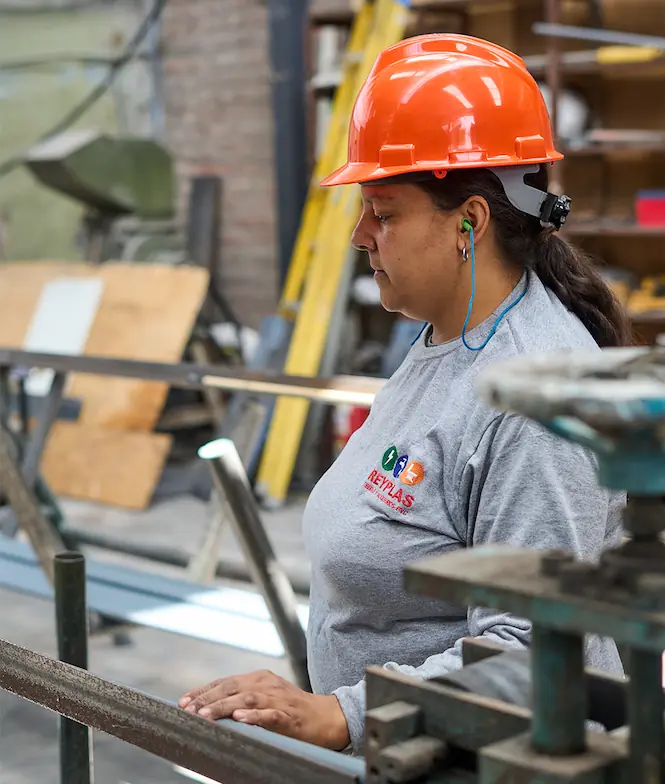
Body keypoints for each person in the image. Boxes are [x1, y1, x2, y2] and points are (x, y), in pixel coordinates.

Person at [178, 33, 631, 755]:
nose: (360, 235)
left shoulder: (537, 403)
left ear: (469, 223)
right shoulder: (445, 335)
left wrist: (340, 716)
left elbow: (542, 653)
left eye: (383, 213)